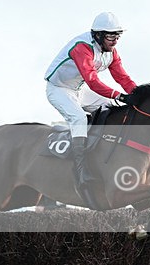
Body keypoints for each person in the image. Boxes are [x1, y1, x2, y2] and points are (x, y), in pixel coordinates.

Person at [44, 12, 138, 210]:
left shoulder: (111, 52)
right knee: (79, 118)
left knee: (109, 107)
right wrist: (119, 95)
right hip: (59, 89)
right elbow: (93, 81)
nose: (114, 41)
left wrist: (139, 95)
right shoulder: (82, 48)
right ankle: (81, 170)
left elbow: (123, 78)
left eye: (117, 36)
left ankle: (101, 148)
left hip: (79, 89)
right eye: (111, 36)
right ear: (97, 35)